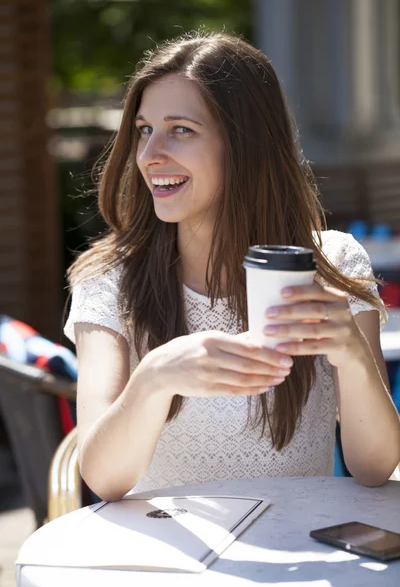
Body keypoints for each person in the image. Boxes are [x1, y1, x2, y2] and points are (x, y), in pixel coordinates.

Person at [64, 31, 400, 502]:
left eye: (180, 129)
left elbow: (374, 468)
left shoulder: (331, 264)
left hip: (297, 553)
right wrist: (155, 377)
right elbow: (103, 479)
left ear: (245, 145)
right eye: (144, 129)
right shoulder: (110, 279)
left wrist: (354, 358)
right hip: (174, 562)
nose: (149, 154)